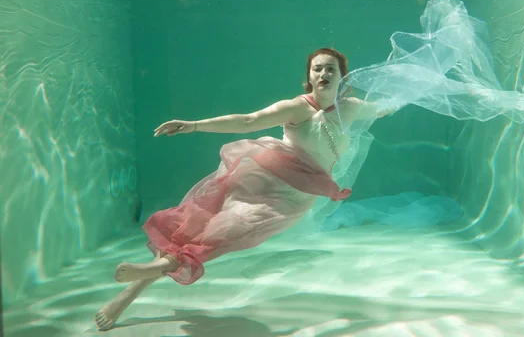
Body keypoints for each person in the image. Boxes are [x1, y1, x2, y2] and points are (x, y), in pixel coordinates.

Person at [94, 48, 393, 331]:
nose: (324, 73)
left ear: (343, 77)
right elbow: (249, 121)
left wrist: (417, 87)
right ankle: (137, 287)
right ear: (310, 77)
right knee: (198, 227)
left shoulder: (351, 108)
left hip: (296, 193)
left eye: (331, 68)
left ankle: (145, 278)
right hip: (265, 174)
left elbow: (382, 109)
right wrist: (195, 125)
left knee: (222, 231)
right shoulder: (298, 107)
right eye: (317, 68)